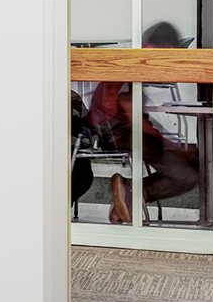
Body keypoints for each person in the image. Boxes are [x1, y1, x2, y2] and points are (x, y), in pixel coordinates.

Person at [87, 21, 203, 223]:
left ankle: (127, 195)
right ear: (161, 48)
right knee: (190, 176)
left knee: (187, 164)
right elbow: (135, 121)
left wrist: (172, 144)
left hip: (112, 130)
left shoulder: (129, 65)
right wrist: (176, 147)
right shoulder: (134, 68)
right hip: (122, 134)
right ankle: (130, 191)